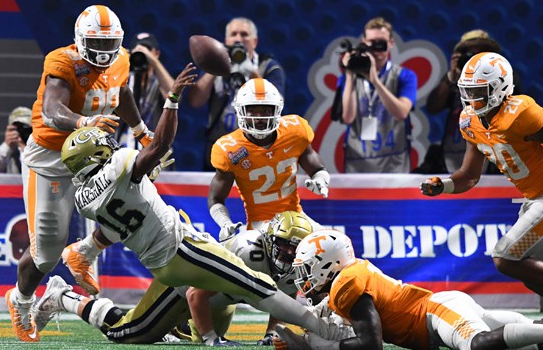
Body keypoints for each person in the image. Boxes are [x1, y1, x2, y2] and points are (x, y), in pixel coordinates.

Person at [33, 64, 339, 345]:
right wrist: (172, 100)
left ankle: (65, 296)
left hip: (163, 264)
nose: (110, 145)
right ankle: (324, 329)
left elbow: (132, 198)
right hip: (182, 250)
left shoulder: (84, 197)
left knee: (127, 331)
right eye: (103, 144)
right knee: (257, 284)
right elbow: (160, 146)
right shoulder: (122, 164)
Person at [4, 5, 152, 343]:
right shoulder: (62, 62)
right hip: (52, 157)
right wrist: (84, 122)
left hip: (92, 155)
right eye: (95, 44)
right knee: (46, 253)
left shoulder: (122, 59)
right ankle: (21, 300)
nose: (102, 53)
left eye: (109, 44)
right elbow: (54, 110)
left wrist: (142, 130)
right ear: (79, 40)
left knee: (134, 207)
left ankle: (83, 252)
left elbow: (121, 92)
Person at [420, 52, 543, 308]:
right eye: (467, 91)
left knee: (505, 257)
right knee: (537, 278)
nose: (471, 99)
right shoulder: (470, 121)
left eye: (478, 91)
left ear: (499, 87)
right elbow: (469, 176)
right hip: (537, 196)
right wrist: (443, 185)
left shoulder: (519, 112)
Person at [274, 229, 543, 350]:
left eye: (307, 268)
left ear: (327, 263)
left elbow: (370, 344)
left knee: (479, 346)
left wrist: (313, 346)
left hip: (433, 314)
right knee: (530, 339)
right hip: (439, 309)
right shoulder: (348, 279)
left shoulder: (346, 284)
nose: (305, 277)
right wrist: (303, 338)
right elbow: (335, 324)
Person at [208, 78, 329, 242]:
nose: (259, 117)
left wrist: (320, 179)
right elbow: (216, 198)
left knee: (334, 245)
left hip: (297, 218)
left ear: (277, 110)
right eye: (252, 110)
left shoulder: (295, 131)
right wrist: (224, 223)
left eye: (265, 110)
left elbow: (316, 167)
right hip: (260, 226)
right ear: (240, 111)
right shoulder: (229, 149)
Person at [173, 210, 313, 346]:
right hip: (181, 286)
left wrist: (272, 333)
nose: (289, 252)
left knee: (204, 332)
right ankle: (173, 321)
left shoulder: (300, 262)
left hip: (222, 298)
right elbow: (194, 293)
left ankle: (182, 325)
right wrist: (211, 339)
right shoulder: (247, 252)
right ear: (269, 240)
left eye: (296, 247)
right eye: (283, 243)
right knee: (150, 331)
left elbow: (286, 293)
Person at [186, 17, 285, 171]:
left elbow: (277, 104)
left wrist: (251, 71)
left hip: (257, 151)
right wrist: (217, 65)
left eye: (244, 34)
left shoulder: (268, 67)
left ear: (254, 42)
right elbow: (195, 101)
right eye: (234, 34)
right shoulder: (213, 67)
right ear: (226, 40)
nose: (238, 39)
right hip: (220, 152)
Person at [338, 16, 417, 173]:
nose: (377, 48)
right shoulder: (349, 78)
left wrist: (374, 80)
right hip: (358, 163)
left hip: (394, 164)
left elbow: (401, 113)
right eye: (372, 42)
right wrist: (349, 74)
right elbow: (347, 117)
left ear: (391, 43)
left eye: (382, 43)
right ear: (363, 42)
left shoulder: (405, 76)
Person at [420, 30, 500, 174]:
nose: (473, 60)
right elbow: (433, 106)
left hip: (489, 159)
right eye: (468, 54)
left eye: (479, 55)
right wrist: (451, 75)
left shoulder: (502, 80)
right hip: (453, 158)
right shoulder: (455, 83)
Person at [116, 32, 175, 151]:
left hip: (154, 148)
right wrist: (120, 63)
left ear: (157, 53)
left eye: (148, 49)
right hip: (122, 146)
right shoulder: (123, 79)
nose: (143, 54)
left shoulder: (159, 82)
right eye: (138, 51)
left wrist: (154, 61)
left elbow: (175, 95)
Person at [0, 107, 32, 173]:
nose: (21, 131)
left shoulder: (42, 149)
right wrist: (7, 147)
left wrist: (25, 150)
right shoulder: (9, 152)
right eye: (18, 128)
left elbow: (33, 173)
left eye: (26, 128)